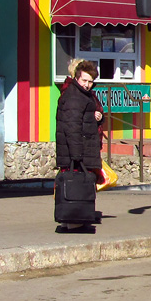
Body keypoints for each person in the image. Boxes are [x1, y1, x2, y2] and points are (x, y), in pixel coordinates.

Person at [55, 59, 105, 232]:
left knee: (75, 185)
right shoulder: (74, 96)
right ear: (76, 78)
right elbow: (72, 127)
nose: (88, 85)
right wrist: (77, 155)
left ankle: (71, 219)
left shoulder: (81, 94)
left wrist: (98, 115)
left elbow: (83, 119)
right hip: (77, 150)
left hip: (82, 148)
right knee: (75, 184)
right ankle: (73, 222)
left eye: (90, 81)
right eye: (84, 80)